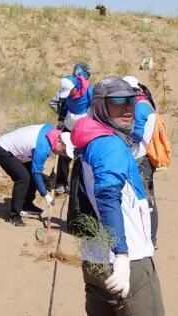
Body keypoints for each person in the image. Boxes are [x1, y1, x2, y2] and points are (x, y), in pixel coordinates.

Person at [70, 77, 164, 316]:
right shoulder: (109, 145)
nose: (127, 107)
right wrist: (122, 255)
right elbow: (107, 195)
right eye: (118, 101)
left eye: (132, 100)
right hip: (126, 257)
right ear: (100, 105)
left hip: (95, 255)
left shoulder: (89, 137)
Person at [0, 124, 74, 227]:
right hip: (3, 150)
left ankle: (27, 205)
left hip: (22, 153)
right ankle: (14, 216)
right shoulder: (42, 149)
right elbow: (36, 174)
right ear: (58, 141)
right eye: (63, 151)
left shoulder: (53, 133)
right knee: (23, 178)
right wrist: (45, 195)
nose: (63, 154)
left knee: (31, 174)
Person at [123, 75, 160, 249]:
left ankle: (149, 239)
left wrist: (121, 136)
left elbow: (137, 134)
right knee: (147, 198)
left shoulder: (139, 107)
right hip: (143, 157)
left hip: (140, 158)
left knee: (145, 200)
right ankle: (149, 238)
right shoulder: (145, 102)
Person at [51, 62, 93, 194]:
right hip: (69, 126)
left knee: (83, 156)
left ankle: (81, 183)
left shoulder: (89, 91)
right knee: (64, 154)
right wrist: (61, 119)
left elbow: (96, 108)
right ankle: (61, 183)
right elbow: (58, 103)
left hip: (84, 128)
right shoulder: (66, 87)